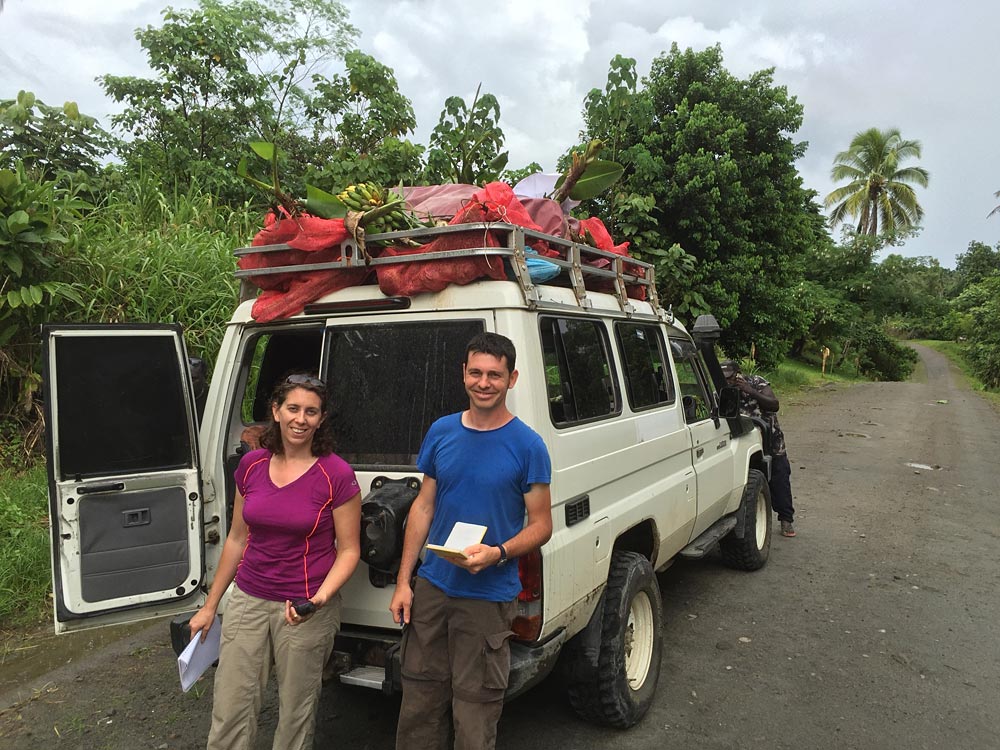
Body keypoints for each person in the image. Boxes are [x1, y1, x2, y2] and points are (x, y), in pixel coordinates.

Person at [389, 332, 552, 750]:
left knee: (475, 710)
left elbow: (541, 525)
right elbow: (423, 508)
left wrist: (498, 553)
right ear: (463, 374)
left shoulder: (528, 446)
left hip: (487, 596)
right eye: (476, 372)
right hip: (433, 589)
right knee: (419, 703)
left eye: (494, 375)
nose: (484, 382)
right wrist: (406, 580)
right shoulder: (442, 431)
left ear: (512, 379)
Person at [188, 373, 362, 750]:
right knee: (231, 707)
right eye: (293, 408)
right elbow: (237, 539)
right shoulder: (250, 466)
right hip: (248, 601)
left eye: (311, 412)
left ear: (321, 418)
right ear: (276, 411)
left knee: (295, 714)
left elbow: (349, 550)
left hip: (303, 608)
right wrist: (211, 605)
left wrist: (317, 600)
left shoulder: (336, 474)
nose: (301, 419)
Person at [721, 360, 797, 537]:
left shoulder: (756, 382)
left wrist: (751, 391)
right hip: (744, 444)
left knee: (780, 479)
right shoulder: (723, 390)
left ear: (738, 374)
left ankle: (786, 519)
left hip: (770, 441)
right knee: (749, 483)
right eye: (726, 379)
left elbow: (774, 404)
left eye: (731, 378)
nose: (729, 382)